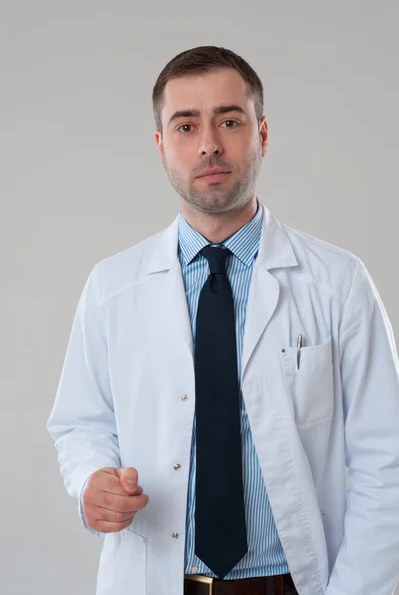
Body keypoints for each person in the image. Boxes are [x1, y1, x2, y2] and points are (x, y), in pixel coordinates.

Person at [46, 45, 399, 595]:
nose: (209, 143)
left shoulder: (338, 283)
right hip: (153, 581)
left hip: (290, 584)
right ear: (162, 147)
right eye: (185, 126)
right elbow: (80, 424)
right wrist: (91, 479)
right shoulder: (112, 287)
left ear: (262, 134)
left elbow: (388, 462)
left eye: (229, 121)